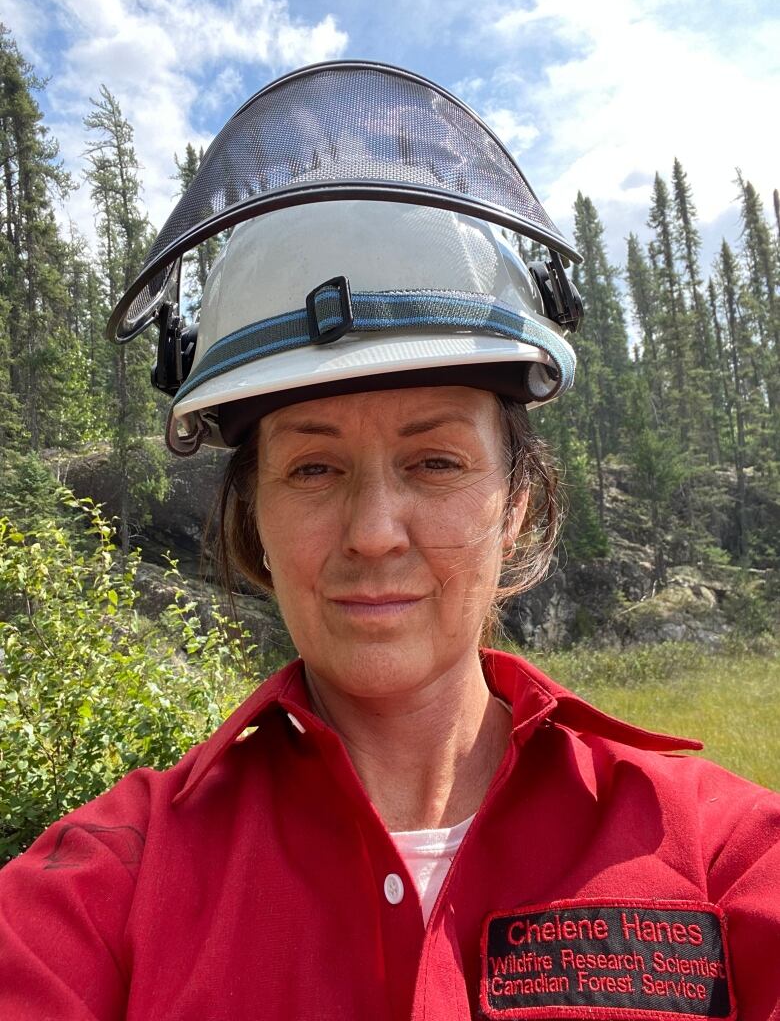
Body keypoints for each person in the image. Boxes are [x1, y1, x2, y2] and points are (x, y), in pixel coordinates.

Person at [1, 62, 778, 1021]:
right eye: (314, 470)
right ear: (254, 517)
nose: (373, 535)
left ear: (519, 503)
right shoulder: (109, 881)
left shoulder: (716, 850)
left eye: (437, 462)